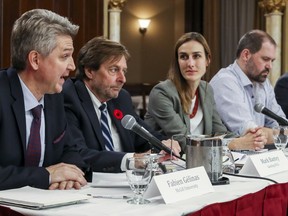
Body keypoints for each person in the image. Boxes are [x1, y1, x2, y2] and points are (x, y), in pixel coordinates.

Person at [62, 37, 181, 173]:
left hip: (126, 184)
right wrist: (132, 160)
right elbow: (79, 155)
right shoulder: (69, 97)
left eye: (123, 71)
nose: (122, 79)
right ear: (90, 71)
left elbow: (145, 137)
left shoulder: (120, 98)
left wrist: (164, 144)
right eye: (114, 70)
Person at [0, 9, 89, 190]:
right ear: (34, 60)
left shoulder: (54, 97)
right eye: (65, 56)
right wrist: (46, 175)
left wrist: (70, 174)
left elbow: (71, 150)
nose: (72, 66)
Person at [144, 32, 267, 153]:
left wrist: (248, 137)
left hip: (201, 162)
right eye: (183, 57)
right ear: (177, 62)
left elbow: (221, 132)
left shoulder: (207, 90)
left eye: (196, 56)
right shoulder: (161, 93)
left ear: (207, 60)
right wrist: (236, 143)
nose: (190, 63)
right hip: (166, 166)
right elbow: (184, 141)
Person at [210, 29, 286, 144]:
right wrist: (276, 133)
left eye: (272, 61)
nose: (270, 66)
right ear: (246, 55)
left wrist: (274, 133)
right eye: (265, 59)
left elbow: (283, 126)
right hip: (230, 159)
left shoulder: (264, 83)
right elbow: (252, 135)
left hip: (257, 156)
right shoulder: (225, 81)